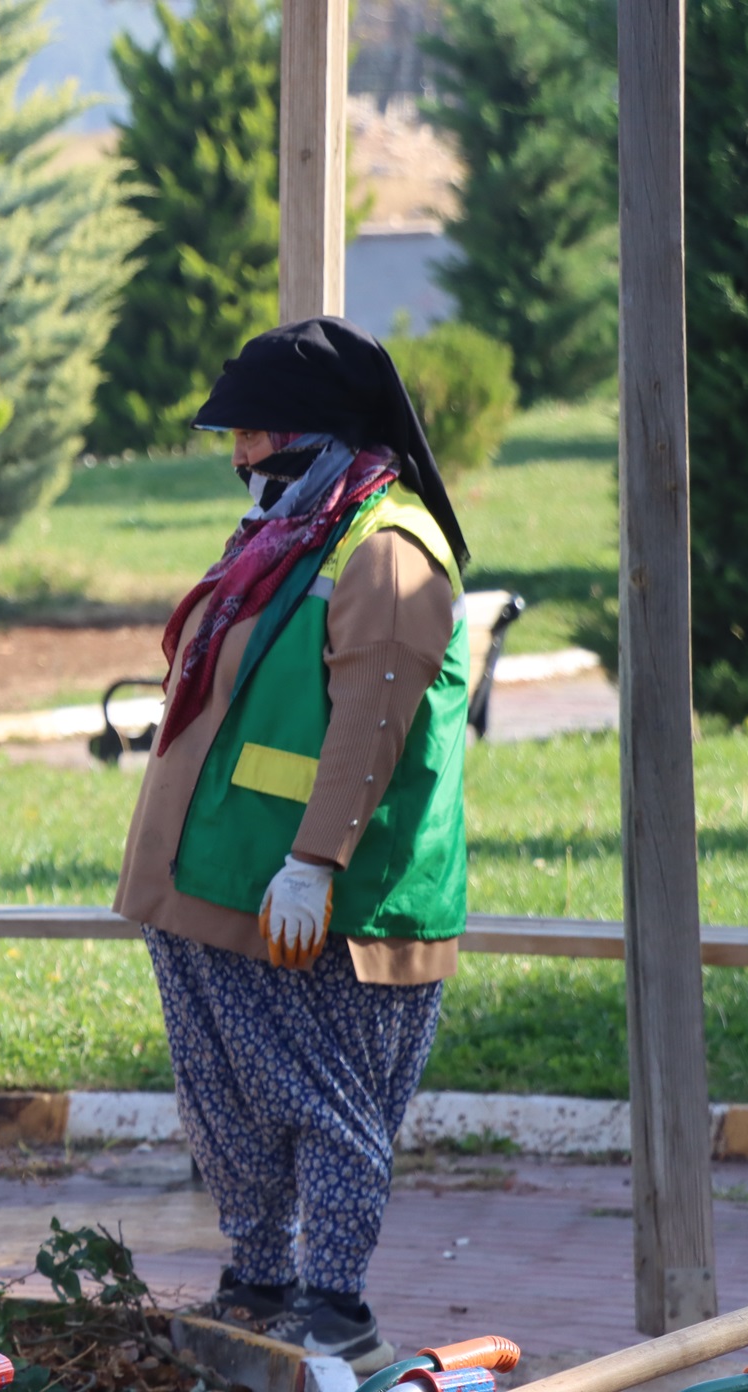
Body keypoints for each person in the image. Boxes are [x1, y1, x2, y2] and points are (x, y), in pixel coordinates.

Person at [112, 317, 472, 1372]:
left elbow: (372, 717)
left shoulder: (388, 550)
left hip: (330, 903)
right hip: (211, 885)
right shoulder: (299, 531)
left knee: (327, 1110)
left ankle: (335, 1308)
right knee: (227, 1107)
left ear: (315, 436)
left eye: (256, 434)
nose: (240, 457)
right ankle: (262, 1280)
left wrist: (313, 860)